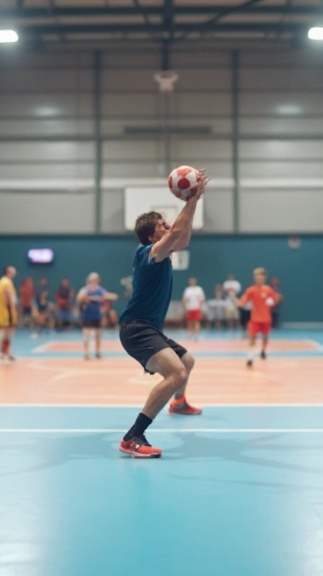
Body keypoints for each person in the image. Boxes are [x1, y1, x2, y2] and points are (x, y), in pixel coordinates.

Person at [118, 170, 208, 458]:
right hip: (137, 329)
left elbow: (181, 239)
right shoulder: (147, 254)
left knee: (187, 362)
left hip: (149, 329)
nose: (167, 225)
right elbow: (177, 234)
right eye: (161, 224)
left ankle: (178, 403)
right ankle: (133, 436)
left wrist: (192, 203)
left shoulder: (163, 252)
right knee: (175, 372)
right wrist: (191, 199)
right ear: (150, 235)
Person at [237, 267, 281, 367]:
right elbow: (244, 299)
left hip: (266, 319)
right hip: (255, 319)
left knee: (265, 337)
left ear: (264, 278)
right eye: (257, 277)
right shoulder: (251, 290)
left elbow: (276, 299)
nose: (259, 279)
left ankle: (263, 351)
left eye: (261, 277)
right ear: (255, 278)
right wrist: (240, 303)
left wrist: (272, 301)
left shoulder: (268, 290)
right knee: (252, 337)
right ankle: (250, 357)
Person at [77, 272, 117, 360]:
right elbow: (79, 297)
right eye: (92, 280)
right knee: (86, 335)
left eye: (96, 280)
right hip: (87, 316)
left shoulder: (100, 290)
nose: (94, 282)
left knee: (98, 335)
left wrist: (106, 297)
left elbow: (113, 296)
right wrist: (84, 298)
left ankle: (97, 352)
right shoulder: (85, 290)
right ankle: (86, 352)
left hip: (97, 316)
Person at [0, 266, 18, 363]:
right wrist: (13, 303)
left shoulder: (1, 281)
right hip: (7, 312)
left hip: (3, 312)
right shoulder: (7, 282)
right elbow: (8, 295)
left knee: (8, 332)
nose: (15, 271)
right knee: (9, 333)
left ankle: (6, 352)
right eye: (13, 270)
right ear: (8, 272)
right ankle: (1, 354)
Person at [182, 277, 206, 341]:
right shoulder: (187, 290)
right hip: (189, 308)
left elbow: (202, 299)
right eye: (191, 281)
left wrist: (200, 305)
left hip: (196, 308)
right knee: (190, 322)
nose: (192, 282)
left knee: (196, 321)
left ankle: (196, 335)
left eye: (193, 281)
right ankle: (190, 334)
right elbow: (184, 299)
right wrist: (185, 306)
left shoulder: (199, 289)